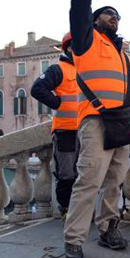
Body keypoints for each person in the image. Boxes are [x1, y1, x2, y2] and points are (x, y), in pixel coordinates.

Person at [63, 0, 130, 258]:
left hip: (121, 122)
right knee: (89, 181)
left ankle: (108, 229)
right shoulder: (86, 40)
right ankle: (73, 239)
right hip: (95, 120)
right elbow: (79, 4)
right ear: (94, 20)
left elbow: (128, 92)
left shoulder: (122, 54)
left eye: (116, 15)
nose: (113, 17)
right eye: (108, 14)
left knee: (115, 181)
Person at [30, 32, 79, 220]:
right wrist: (57, 103)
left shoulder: (86, 71)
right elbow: (37, 89)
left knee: (84, 173)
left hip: (86, 129)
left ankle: (79, 209)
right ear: (70, 48)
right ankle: (66, 209)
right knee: (66, 174)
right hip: (65, 130)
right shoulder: (58, 69)